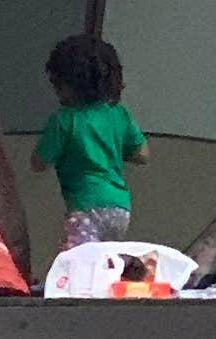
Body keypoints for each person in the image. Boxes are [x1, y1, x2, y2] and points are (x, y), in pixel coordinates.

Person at [33, 32, 148, 252]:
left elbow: (38, 163)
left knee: (77, 259)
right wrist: (112, 148)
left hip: (86, 207)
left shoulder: (64, 120)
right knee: (104, 259)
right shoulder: (118, 114)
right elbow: (142, 154)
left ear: (68, 84)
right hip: (120, 208)